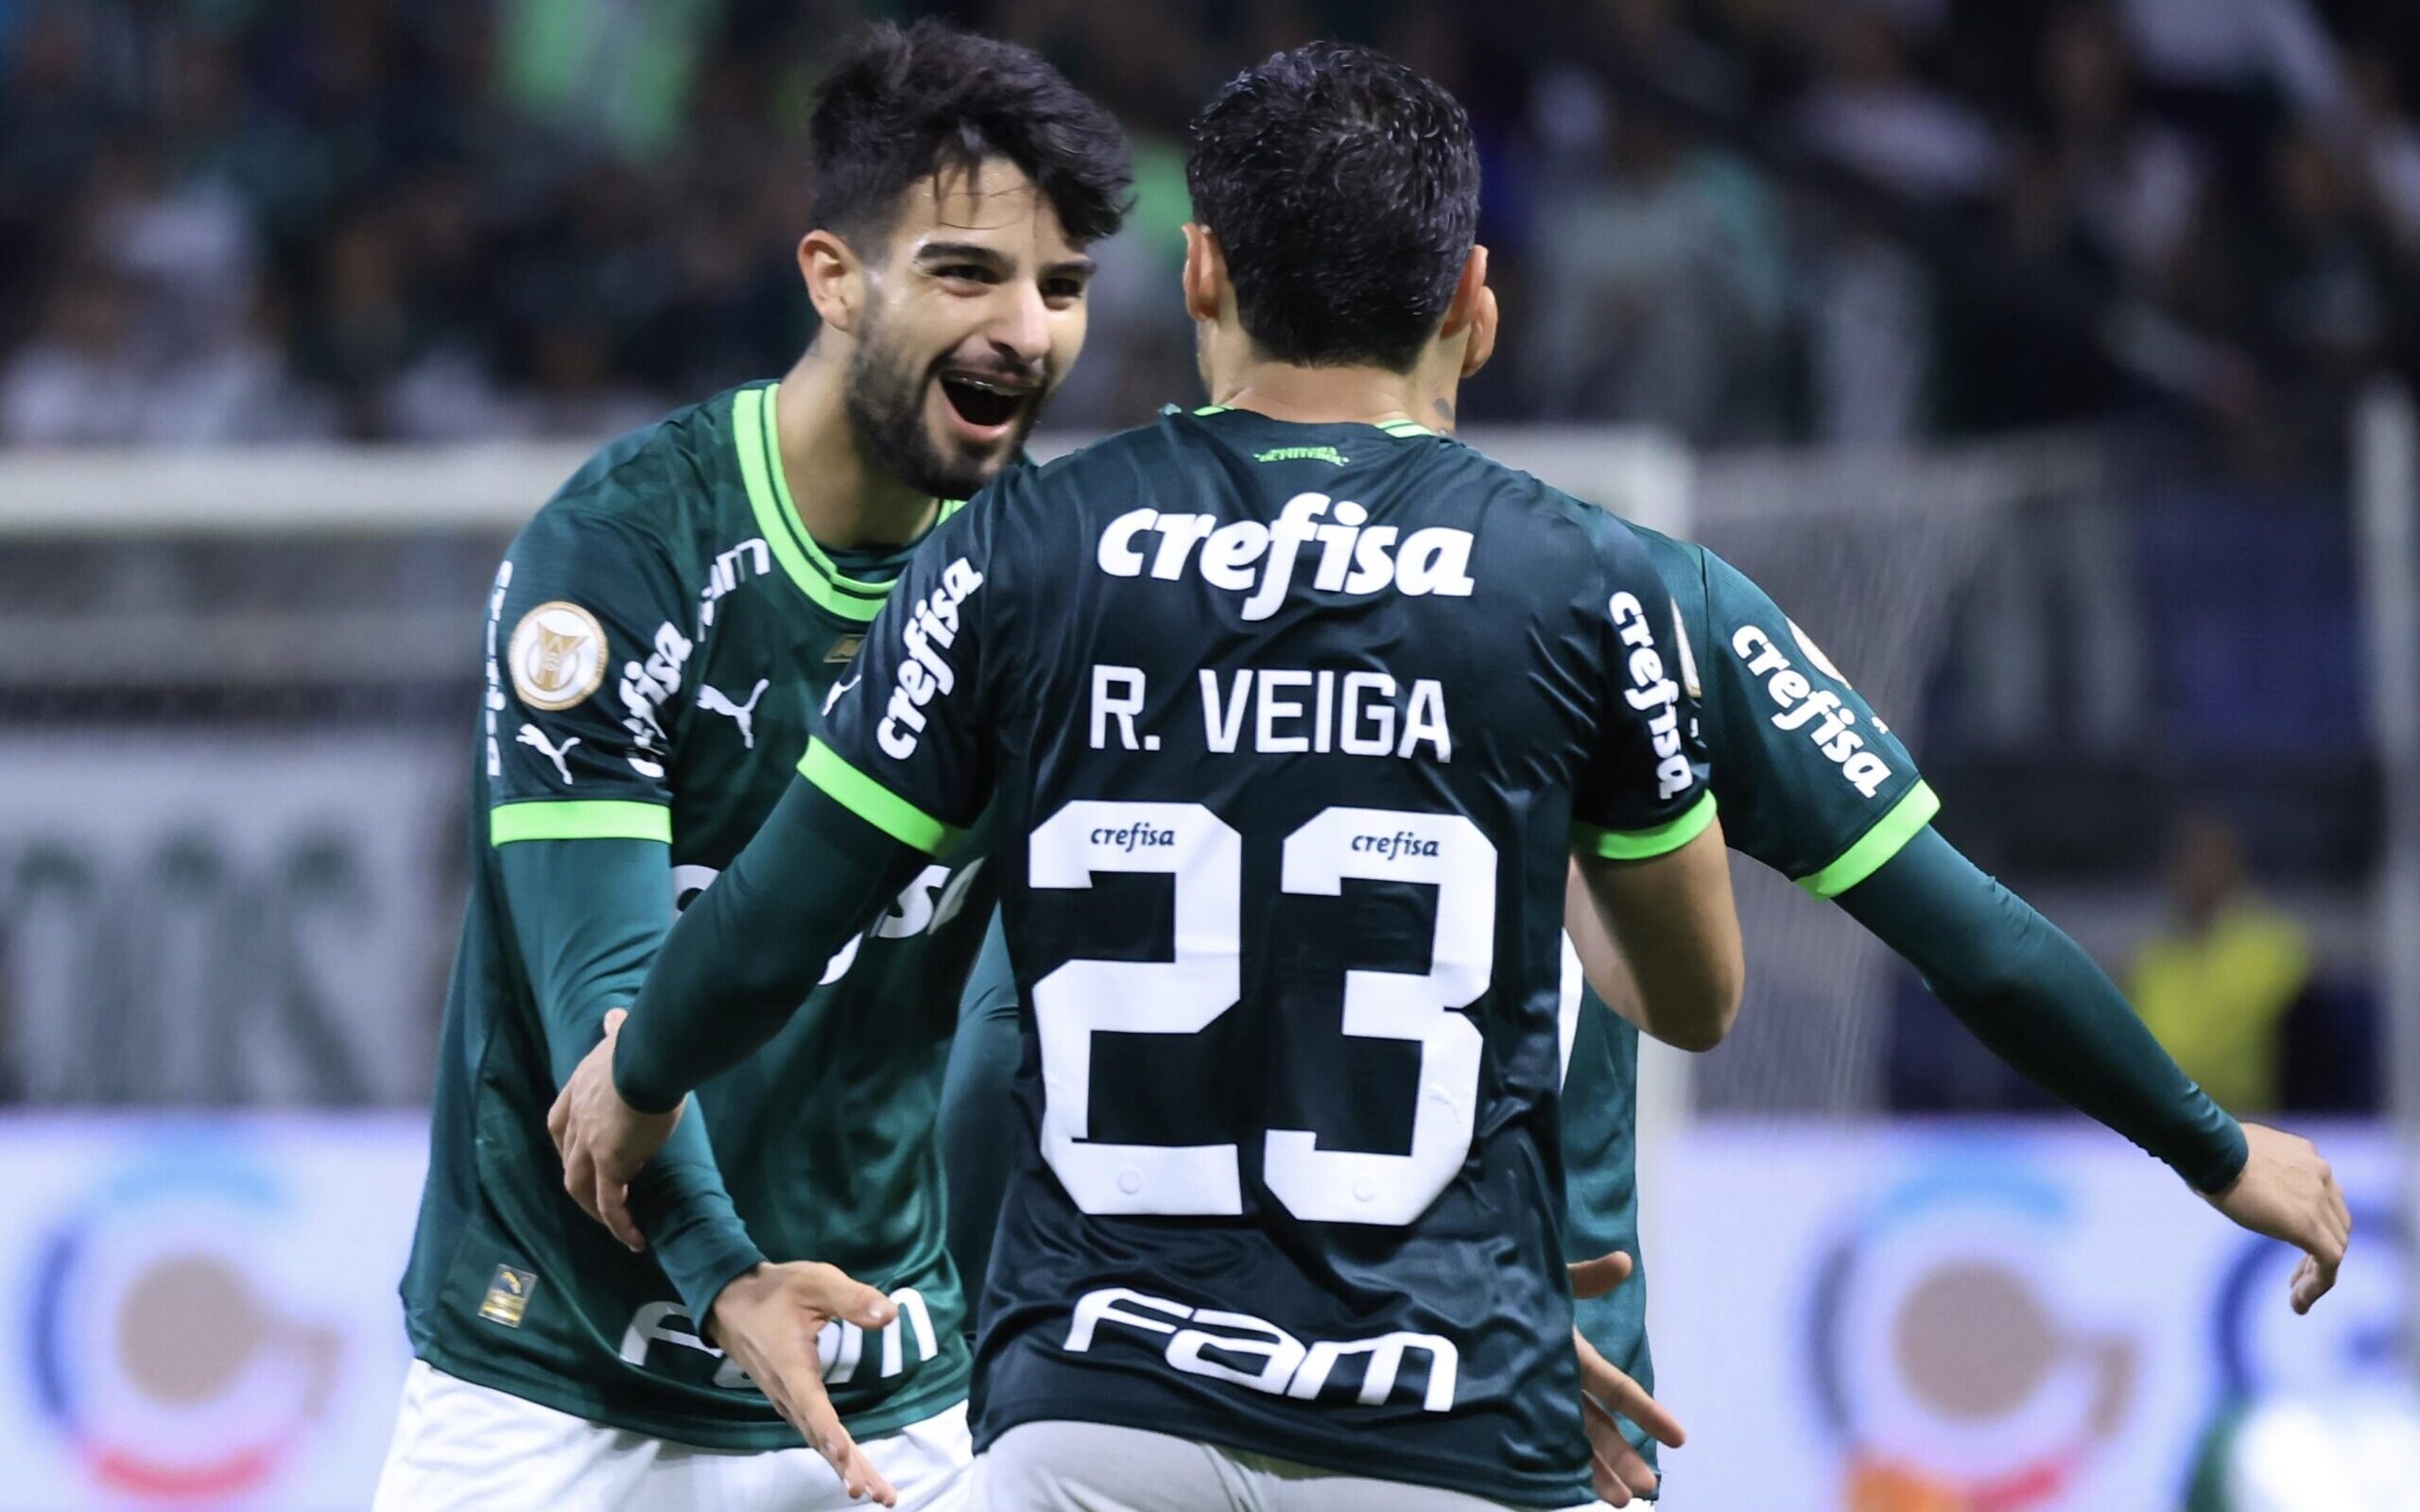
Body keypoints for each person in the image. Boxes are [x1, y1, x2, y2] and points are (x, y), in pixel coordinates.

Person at [552, 41, 1748, 1512]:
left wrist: (639, 1075)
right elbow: (1694, 1002)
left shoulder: (1024, 548)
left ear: (1195, 273)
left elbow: (780, 916)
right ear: (1472, 303)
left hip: (1098, 1415)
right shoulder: (1577, 577)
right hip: (1446, 1413)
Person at [372, 23, 1130, 1512]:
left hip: (879, 1376)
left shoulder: (1053, 592)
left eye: (1061, 289)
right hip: (548, 1371)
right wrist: (724, 1276)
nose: (1025, 331)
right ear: (835, 278)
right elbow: (608, 991)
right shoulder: (620, 556)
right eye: (967, 272)